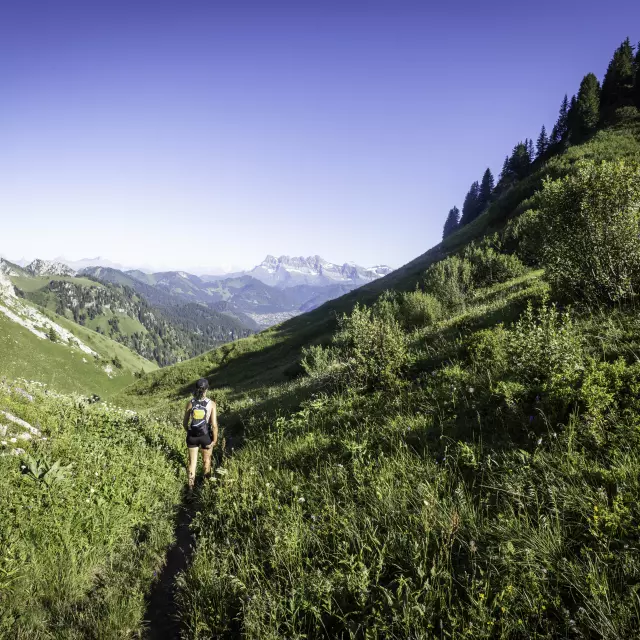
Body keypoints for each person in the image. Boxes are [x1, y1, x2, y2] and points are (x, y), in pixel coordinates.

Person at [183, 377, 218, 489]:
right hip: (205, 436)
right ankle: (206, 487)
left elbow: (185, 423)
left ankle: (190, 490)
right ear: (207, 389)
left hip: (192, 436)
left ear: (196, 389)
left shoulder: (190, 403)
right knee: (206, 461)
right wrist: (215, 440)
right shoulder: (211, 404)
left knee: (192, 463)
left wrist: (189, 432)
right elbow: (214, 425)